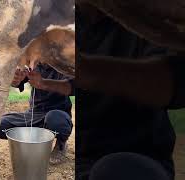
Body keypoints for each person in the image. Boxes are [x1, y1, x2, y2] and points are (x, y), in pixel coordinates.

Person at [77, 4, 185, 180]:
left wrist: (86, 71)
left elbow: (177, 83)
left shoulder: (147, 13)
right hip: (80, 158)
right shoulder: (61, 22)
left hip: (135, 158)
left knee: (115, 169)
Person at [0, 63, 75, 164]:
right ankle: (35, 139)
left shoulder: (63, 64)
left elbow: (71, 87)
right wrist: (15, 78)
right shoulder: (33, 65)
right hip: (33, 114)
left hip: (57, 113)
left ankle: (61, 144)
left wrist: (43, 83)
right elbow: (16, 83)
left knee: (56, 120)